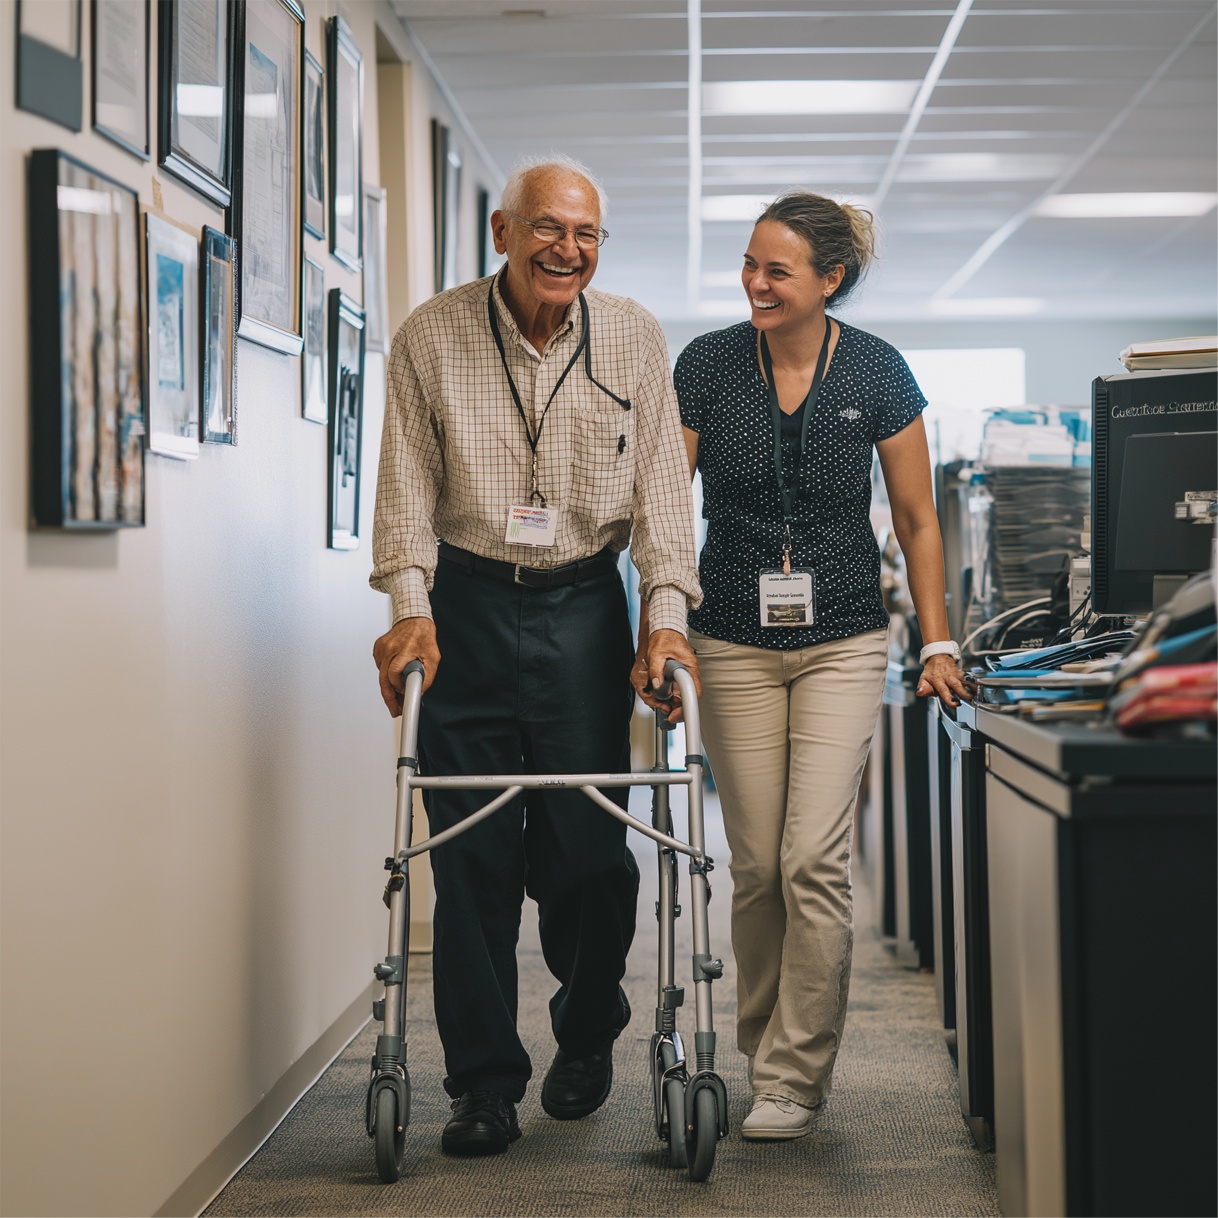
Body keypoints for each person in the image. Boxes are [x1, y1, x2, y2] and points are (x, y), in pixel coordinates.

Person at [369, 155, 702, 1157]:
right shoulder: (431, 333)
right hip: (466, 604)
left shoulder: (636, 336)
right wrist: (409, 607)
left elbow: (662, 500)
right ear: (503, 234)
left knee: (590, 854)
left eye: (588, 234)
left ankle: (589, 1020)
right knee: (468, 859)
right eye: (549, 228)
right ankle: (482, 1085)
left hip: (584, 608)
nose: (570, 249)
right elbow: (404, 489)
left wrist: (665, 617)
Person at [634, 190, 971, 1142]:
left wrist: (936, 639)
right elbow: (665, 510)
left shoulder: (876, 369)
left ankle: (793, 1076)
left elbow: (916, 521)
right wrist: (659, 631)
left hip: (845, 641)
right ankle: (760, 1048)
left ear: (830, 280)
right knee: (754, 868)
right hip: (732, 637)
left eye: (776, 269)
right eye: (749, 264)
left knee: (812, 858)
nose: (755, 282)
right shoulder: (705, 364)